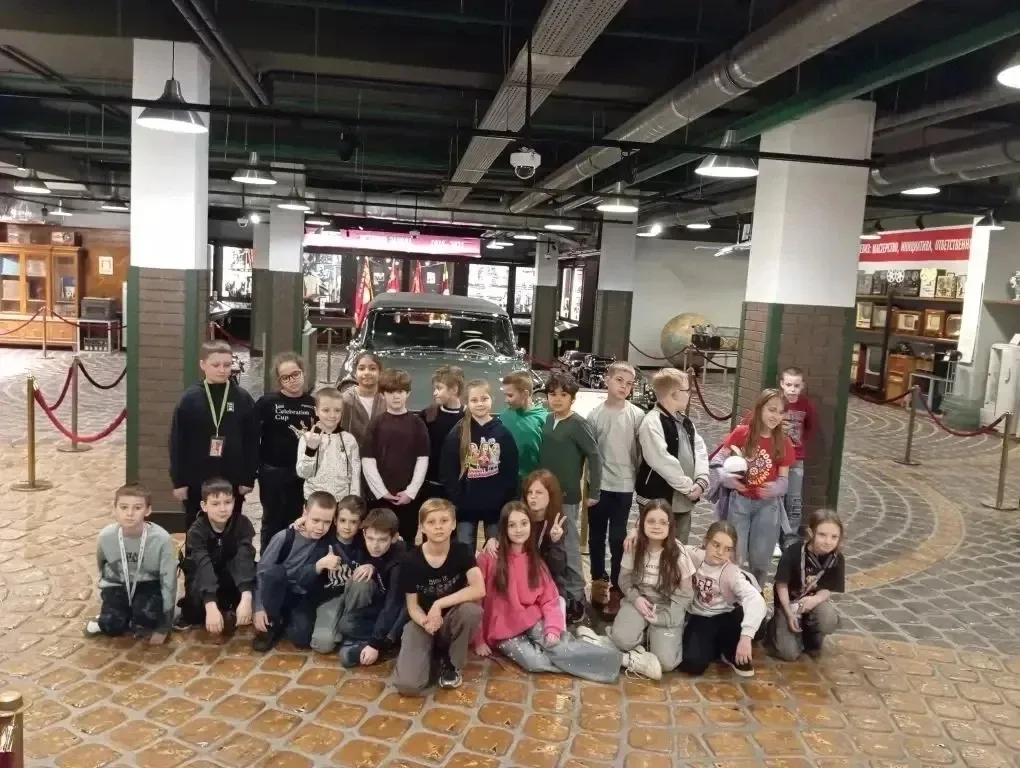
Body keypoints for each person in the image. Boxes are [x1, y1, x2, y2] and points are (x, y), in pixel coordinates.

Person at [474, 502, 623, 684]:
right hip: (503, 631)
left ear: (530, 525)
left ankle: (621, 660)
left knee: (556, 646)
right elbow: (476, 600)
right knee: (534, 662)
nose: (519, 530)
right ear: (503, 528)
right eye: (512, 525)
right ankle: (588, 651)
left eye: (524, 523)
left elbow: (550, 598)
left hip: (532, 619)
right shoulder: (489, 558)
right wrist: (478, 638)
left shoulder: (534, 560)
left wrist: (552, 628)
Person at [595, 500, 695, 677]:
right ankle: (638, 641)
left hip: (666, 606)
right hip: (640, 600)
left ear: (670, 525)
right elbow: (624, 580)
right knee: (621, 640)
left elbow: (686, 595)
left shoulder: (678, 552)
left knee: (666, 663)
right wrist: (636, 599)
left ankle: (654, 636)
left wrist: (662, 618)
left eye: (662, 522)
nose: (656, 526)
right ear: (642, 523)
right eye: (651, 521)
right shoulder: (633, 546)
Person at [394, 499, 485, 694]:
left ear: (453, 524)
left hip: (451, 619)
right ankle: (430, 653)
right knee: (408, 686)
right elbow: (412, 606)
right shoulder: (410, 561)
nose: (438, 527)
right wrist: (426, 622)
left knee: (471, 611)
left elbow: (479, 589)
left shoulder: (462, 551)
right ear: (422, 527)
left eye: (444, 521)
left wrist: (439, 604)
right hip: (422, 622)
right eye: (431, 522)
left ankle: (452, 664)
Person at [170, 340, 258, 531]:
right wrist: (179, 481)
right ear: (203, 365)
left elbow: (252, 441)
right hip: (197, 479)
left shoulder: (242, 398)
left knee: (231, 526)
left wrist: (248, 478)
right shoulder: (189, 399)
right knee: (196, 526)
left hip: (232, 477)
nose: (222, 370)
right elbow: (178, 442)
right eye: (215, 365)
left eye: (227, 365)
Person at [710, 388, 795, 586]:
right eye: (771, 410)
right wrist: (725, 477)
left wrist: (777, 487)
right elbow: (717, 459)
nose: (775, 416)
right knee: (734, 555)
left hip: (768, 507)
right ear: (760, 409)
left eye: (780, 412)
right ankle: (731, 593)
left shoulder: (783, 442)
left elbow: (784, 478)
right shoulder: (741, 434)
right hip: (739, 503)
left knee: (761, 559)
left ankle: (756, 594)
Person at [537, 371, 601, 623]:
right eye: (552, 394)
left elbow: (594, 456)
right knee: (549, 545)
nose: (557, 399)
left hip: (567, 497)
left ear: (572, 398)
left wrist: (594, 491)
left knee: (569, 547)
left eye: (563, 395)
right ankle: (555, 592)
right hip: (545, 495)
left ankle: (576, 597)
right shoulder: (547, 420)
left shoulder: (578, 424)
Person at [85, 484, 178, 645]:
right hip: (118, 583)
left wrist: (164, 626)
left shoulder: (161, 539)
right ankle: (110, 616)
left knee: (146, 620)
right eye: (123, 507)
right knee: (111, 626)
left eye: (137, 508)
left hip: (148, 583)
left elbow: (169, 580)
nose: (129, 513)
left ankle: (139, 613)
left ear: (147, 510)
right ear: (114, 508)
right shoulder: (106, 536)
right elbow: (102, 566)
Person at [586, 362, 644, 616]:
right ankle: (598, 580)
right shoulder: (595, 416)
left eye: (629, 383)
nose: (624, 387)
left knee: (618, 537)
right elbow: (590, 453)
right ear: (607, 380)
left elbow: (640, 453)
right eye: (619, 380)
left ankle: (619, 585)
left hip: (624, 486)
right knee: (596, 536)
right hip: (599, 487)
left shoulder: (637, 416)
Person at [678, 521, 767, 678]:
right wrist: (634, 535)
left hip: (727, 615)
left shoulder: (731, 573)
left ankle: (730, 647)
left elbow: (755, 600)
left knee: (751, 617)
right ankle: (715, 645)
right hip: (702, 615)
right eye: (716, 545)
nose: (720, 552)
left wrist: (746, 637)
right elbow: (672, 546)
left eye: (727, 549)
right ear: (705, 542)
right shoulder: (694, 555)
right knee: (693, 664)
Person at [252, 491, 338, 652]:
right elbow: (261, 572)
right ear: (305, 512)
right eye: (315, 520)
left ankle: (285, 618)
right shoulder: (284, 537)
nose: (320, 528)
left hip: (300, 594)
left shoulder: (328, 540)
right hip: (277, 588)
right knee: (275, 572)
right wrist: (259, 608)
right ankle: (271, 623)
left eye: (326, 522)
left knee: (302, 639)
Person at [635, 368, 709, 547]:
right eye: (687, 390)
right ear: (675, 393)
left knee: (678, 548)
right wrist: (688, 487)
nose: (689, 394)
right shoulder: (652, 422)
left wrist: (701, 479)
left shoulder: (685, 421)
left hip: (683, 500)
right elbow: (661, 460)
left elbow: (699, 448)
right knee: (654, 547)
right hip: (658, 499)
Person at [442, 379, 519, 549]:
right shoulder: (458, 432)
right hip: (466, 509)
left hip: (495, 508)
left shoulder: (502, 433)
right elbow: (448, 470)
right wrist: (457, 498)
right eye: (474, 400)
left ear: (492, 399)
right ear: (467, 403)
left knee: (495, 553)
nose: (479, 404)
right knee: (464, 552)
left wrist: (505, 500)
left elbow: (511, 470)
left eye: (484, 399)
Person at [254, 352, 316, 553]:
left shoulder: (313, 404)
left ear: (303, 373)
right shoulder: (267, 403)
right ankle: (268, 560)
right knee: (272, 520)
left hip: (301, 475)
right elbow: (253, 437)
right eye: (285, 377)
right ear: (279, 380)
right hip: (272, 472)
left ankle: (291, 560)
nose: (292, 380)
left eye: (296, 374)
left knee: (297, 520)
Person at [177, 478, 257, 634]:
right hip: (205, 576)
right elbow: (203, 565)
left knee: (253, 596)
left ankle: (232, 604)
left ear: (234, 502)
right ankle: (213, 605)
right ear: (204, 506)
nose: (222, 509)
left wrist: (246, 596)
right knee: (195, 613)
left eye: (227, 502)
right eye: (215, 504)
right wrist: (210, 604)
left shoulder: (243, 524)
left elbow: (244, 559)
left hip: (232, 575)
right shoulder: (196, 531)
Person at [361, 369, 431, 544]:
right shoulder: (375, 424)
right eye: (391, 392)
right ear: (382, 395)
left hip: (408, 499)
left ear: (408, 393)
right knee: (379, 540)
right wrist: (382, 492)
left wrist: (411, 492)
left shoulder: (417, 424)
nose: (396, 396)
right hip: (380, 499)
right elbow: (368, 461)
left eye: (400, 391)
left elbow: (422, 460)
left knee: (406, 541)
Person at [334, 508, 409, 668]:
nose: (375, 545)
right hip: (381, 608)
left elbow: (393, 605)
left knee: (347, 657)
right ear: (364, 533)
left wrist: (374, 644)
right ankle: (375, 641)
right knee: (345, 624)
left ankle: (386, 644)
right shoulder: (367, 543)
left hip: (401, 615)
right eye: (370, 538)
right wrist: (300, 523)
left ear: (394, 538)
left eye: (382, 540)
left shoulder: (400, 562)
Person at [769, 508, 844, 661]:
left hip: (811, 603)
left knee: (828, 619)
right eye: (822, 535)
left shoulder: (836, 558)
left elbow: (827, 588)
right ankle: (773, 627)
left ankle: (812, 636)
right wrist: (789, 613)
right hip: (788, 604)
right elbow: (781, 585)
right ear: (811, 533)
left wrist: (814, 600)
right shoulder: (793, 552)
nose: (828, 541)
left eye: (834, 537)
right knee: (788, 654)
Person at [308, 496, 374, 654]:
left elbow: (383, 551)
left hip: (355, 596)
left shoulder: (365, 542)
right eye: (343, 520)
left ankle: (352, 629)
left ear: (360, 524)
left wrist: (372, 565)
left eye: (353, 522)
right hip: (330, 598)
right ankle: (340, 627)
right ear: (335, 520)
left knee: (363, 581)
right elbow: (306, 577)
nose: (347, 527)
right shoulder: (323, 541)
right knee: (322, 645)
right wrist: (321, 564)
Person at [296, 387, 361, 500]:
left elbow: (355, 474)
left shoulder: (349, 440)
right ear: (316, 411)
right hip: (315, 502)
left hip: (342, 501)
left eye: (337, 410)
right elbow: (303, 473)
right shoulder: (307, 438)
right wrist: (310, 450)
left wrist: (353, 500)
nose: (332, 415)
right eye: (326, 410)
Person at [778, 367, 816, 548]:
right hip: (777, 458)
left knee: (793, 500)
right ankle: (774, 536)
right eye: (788, 385)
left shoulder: (806, 406)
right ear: (782, 384)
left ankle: (790, 538)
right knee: (777, 498)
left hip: (796, 459)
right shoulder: (776, 403)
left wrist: (799, 446)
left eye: (796, 385)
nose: (792, 389)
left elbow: (810, 428)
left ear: (802, 386)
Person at [420, 366, 466, 501]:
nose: (435, 393)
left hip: (460, 487)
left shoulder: (469, 417)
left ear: (454, 389)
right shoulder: (428, 415)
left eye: (439, 388)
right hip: (431, 485)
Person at [522, 469, 568, 597]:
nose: (533, 496)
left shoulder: (557, 523)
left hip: (549, 582)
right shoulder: (519, 519)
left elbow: (558, 568)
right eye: (530, 492)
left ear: (550, 495)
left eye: (539, 492)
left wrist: (555, 542)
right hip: (522, 580)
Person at [500, 371, 548, 484]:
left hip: (533, 482)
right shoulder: (504, 417)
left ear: (525, 394)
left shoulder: (544, 418)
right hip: (507, 481)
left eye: (510, 395)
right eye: (505, 395)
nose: (506, 400)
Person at [339, 351, 385, 445]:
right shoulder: (345, 400)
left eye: (372, 368)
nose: (367, 372)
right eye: (361, 368)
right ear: (355, 373)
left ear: (380, 372)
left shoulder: (386, 400)